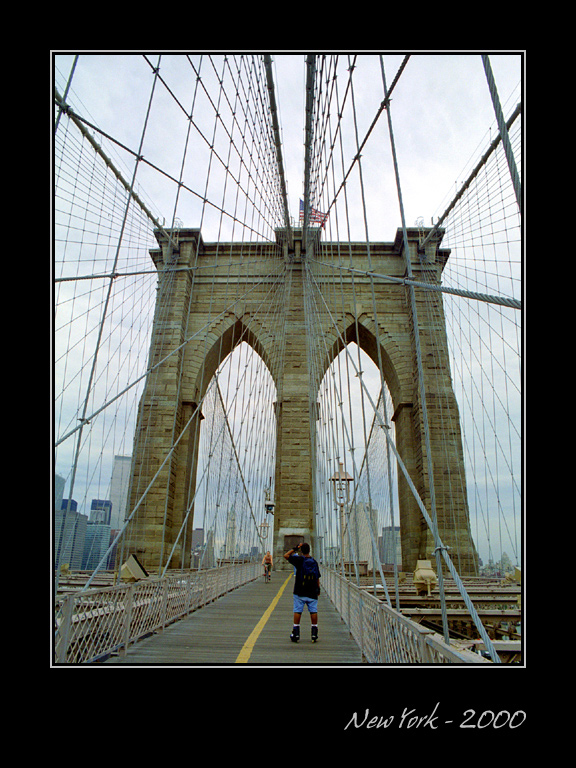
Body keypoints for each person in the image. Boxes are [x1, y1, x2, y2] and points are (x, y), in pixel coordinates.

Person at [283, 542, 321, 643]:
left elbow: (286, 555)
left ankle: (296, 633)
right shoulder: (314, 562)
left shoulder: (299, 560)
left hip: (300, 590)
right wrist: (318, 589)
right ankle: (314, 632)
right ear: (309, 550)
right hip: (312, 590)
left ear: (301, 551)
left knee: (298, 611)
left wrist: (295, 548)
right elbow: (317, 577)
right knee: (313, 611)